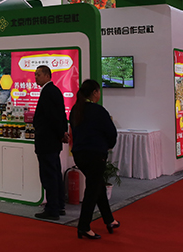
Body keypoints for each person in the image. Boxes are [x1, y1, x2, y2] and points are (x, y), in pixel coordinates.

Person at [69, 79, 119, 240]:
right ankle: (84, 226)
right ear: (95, 93)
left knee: (97, 185)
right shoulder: (98, 111)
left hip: (79, 154)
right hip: (96, 155)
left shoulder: (76, 109)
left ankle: (109, 220)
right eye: (98, 92)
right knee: (92, 189)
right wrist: (107, 146)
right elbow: (111, 133)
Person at [32, 65, 69, 220]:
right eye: (35, 75)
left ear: (47, 75)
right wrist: (62, 132)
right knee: (55, 173)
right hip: (53, 140)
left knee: (49, 175)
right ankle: (59, 205)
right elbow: (61, 115)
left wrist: (61, 133)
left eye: (38, 74)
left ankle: (52, 208)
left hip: (47, 140)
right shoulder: (54, 91)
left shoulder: (48, 92)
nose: (36, 77)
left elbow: (53, 117)